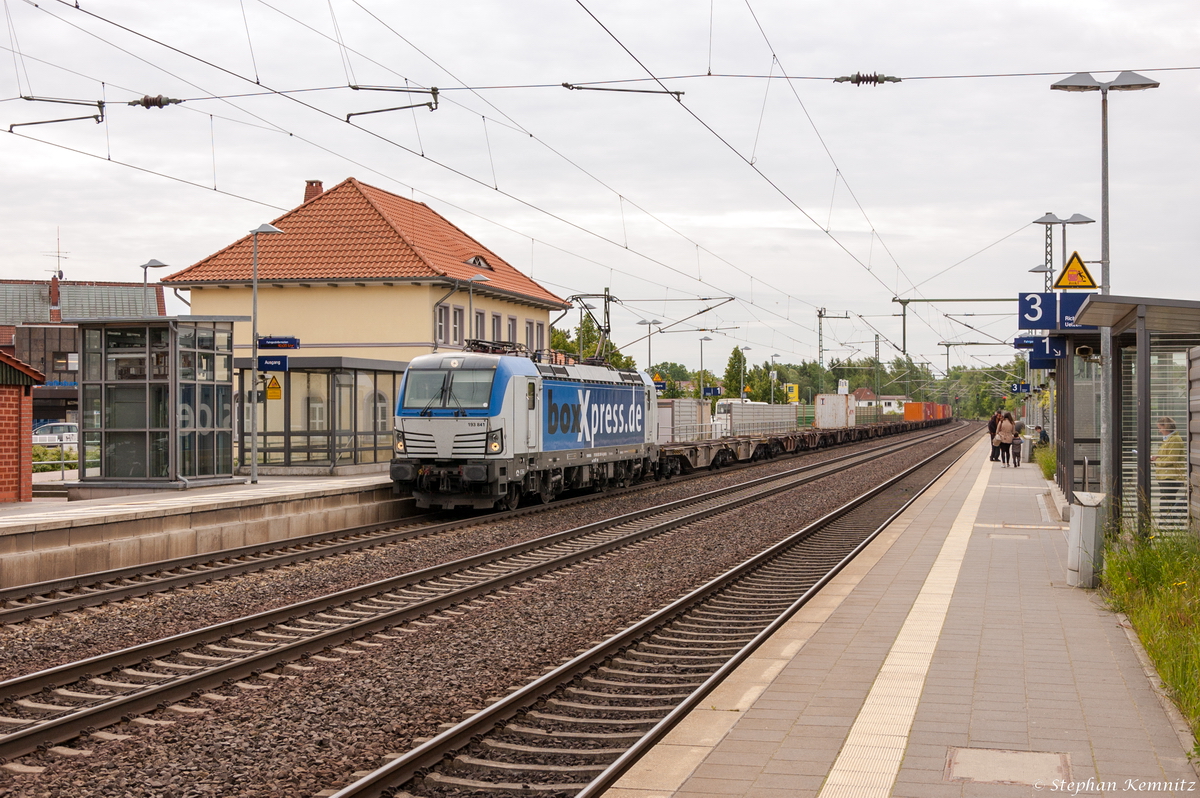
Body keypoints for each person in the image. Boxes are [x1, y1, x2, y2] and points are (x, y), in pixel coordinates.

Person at [1151, 416, 1186, 514]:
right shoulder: (1168, 440)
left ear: (1166, 427)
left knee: (1166, 502)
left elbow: (1172, 459)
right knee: (1166, 501)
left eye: (1160, 428)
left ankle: (1166, 524)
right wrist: (1156, 457)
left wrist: (1156, 461)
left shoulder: (1175, 440)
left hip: (1170, 476)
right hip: (1165, 476)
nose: (1159, 431)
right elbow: (1166, 456)